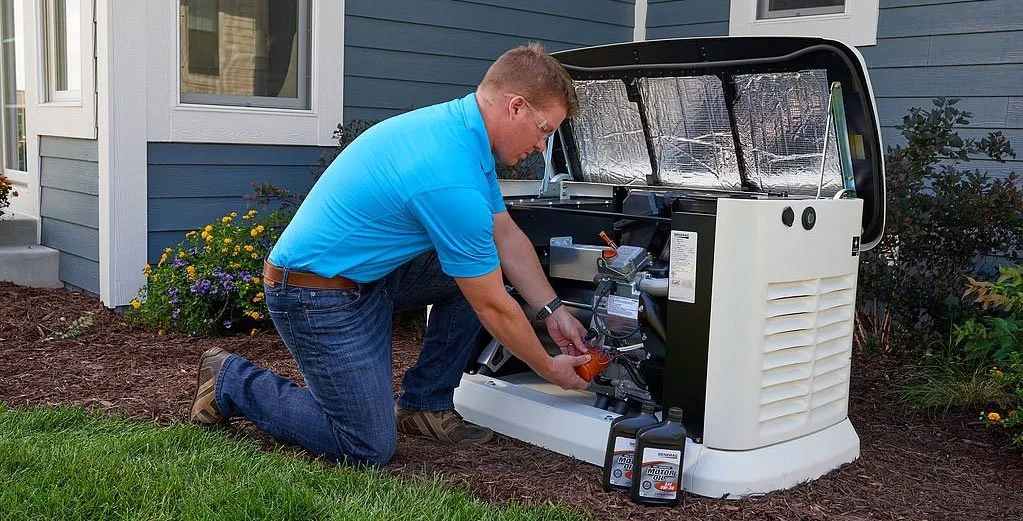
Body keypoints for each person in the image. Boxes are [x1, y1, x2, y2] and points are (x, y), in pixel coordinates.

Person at [188, 43, 592, 466]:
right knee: (366, 446)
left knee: (482, 263)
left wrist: (553, 310)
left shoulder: (463, 135)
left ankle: (424, 405)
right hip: (313, 293)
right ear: (516, 107)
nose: (543, 147)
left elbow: (504, 235)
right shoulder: (448, 175)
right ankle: (230, 382)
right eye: (545, 129)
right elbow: (491, 305)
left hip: (368, 276)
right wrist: (549, 368)